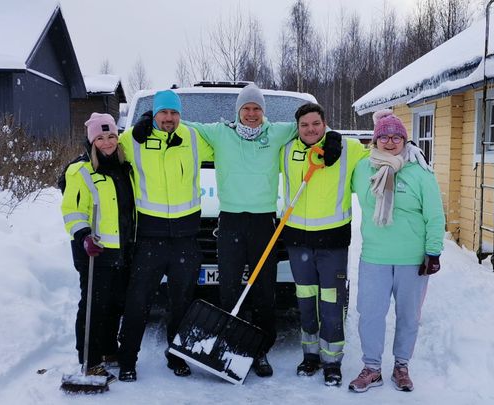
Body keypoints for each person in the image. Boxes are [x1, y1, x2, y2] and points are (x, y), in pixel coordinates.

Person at [132, 84, 343, 377]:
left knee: (263, 290)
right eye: (247, 108)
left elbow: (311, 128)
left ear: (263, 111)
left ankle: (260, 351)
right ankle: (232, 346)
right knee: (230, 288)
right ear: (238, 111)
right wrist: (146, 119)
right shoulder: (220, 134)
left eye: (257, 108)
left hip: (264, 221)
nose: (252, 114)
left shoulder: (278, 133)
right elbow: (179, 122)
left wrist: (332, 136)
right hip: (229, 220)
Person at [116, 90, 213, 382]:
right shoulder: (134, 139)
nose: (168, 118)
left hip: (186, 236)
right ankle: (127, 359)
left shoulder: (194, 138)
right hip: (150, 236)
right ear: (155, 114)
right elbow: (101, 149)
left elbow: (233, 142)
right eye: (163, 113)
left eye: (173, 113)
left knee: (182, 301)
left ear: (180, 114)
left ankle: (177, 356)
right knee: (138, 300)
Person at [348, 109, 445, 393]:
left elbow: (435, 215)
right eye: (384, 137)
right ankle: (372, 368)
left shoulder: (420, 171)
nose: (390, 142)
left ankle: (401, 366)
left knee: (408, 316)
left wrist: (433, 252)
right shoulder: (363, 168)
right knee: (370, 314)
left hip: (411, 260)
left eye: (396, 137)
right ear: (375, 140)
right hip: (375, 257)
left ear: (405, 140)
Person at [280, 103, 368, 386]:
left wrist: (410, 148)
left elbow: (381, 152)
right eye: (304, 125)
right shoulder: (286, 151)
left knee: (331, 303)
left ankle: (332, 361)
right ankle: (310, 356)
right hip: (298, 242)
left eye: (315, 123)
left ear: (325, 123)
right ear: (297, 128)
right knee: (305, 301)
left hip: (332, 243)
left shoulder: (347, 148)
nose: (310, 129)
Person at [60, 112, 135, 376]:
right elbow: (71, 209)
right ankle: (90, 360)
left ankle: (107, 347)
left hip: (121, 250)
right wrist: (83, 236)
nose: (107, 142)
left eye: (111, 136)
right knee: (94, 305)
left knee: (116, 303)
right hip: (94, 250)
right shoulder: (80, 170)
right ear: (91, 141)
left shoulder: (124, 168)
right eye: (100, 138)